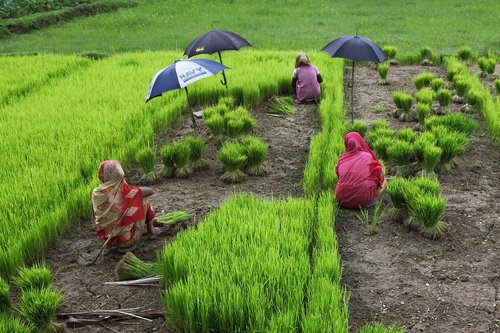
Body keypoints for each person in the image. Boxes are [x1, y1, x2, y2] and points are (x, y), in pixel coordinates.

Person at [91, 160, 160, 252]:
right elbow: (150, 191)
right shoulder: (125, 191)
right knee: (143, 199)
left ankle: (116, 238)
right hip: (127, 241)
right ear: (120, 174)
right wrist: (129, 187)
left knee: (129, 203)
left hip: (107, 239)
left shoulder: (96, 192)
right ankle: (152, 231)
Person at [334, 132, 387, 209]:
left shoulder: (342, 159)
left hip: (341, 200)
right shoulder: (368, 157)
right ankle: (367, 199)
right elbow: (378, 175)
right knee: (382, 182)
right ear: (360, 142)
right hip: (363, 200)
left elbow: (339, 176)